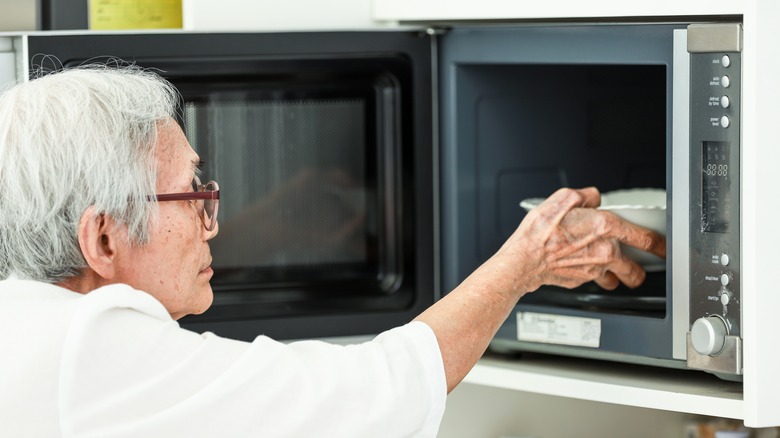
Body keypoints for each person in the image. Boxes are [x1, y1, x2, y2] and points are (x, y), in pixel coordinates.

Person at [0, 66, 665, 437]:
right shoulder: (95, 344)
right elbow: (371, 393)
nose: (213, 220)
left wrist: (279, 219)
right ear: (104, 238)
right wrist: (527, 263)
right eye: (190, 196)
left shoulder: (30, 323)